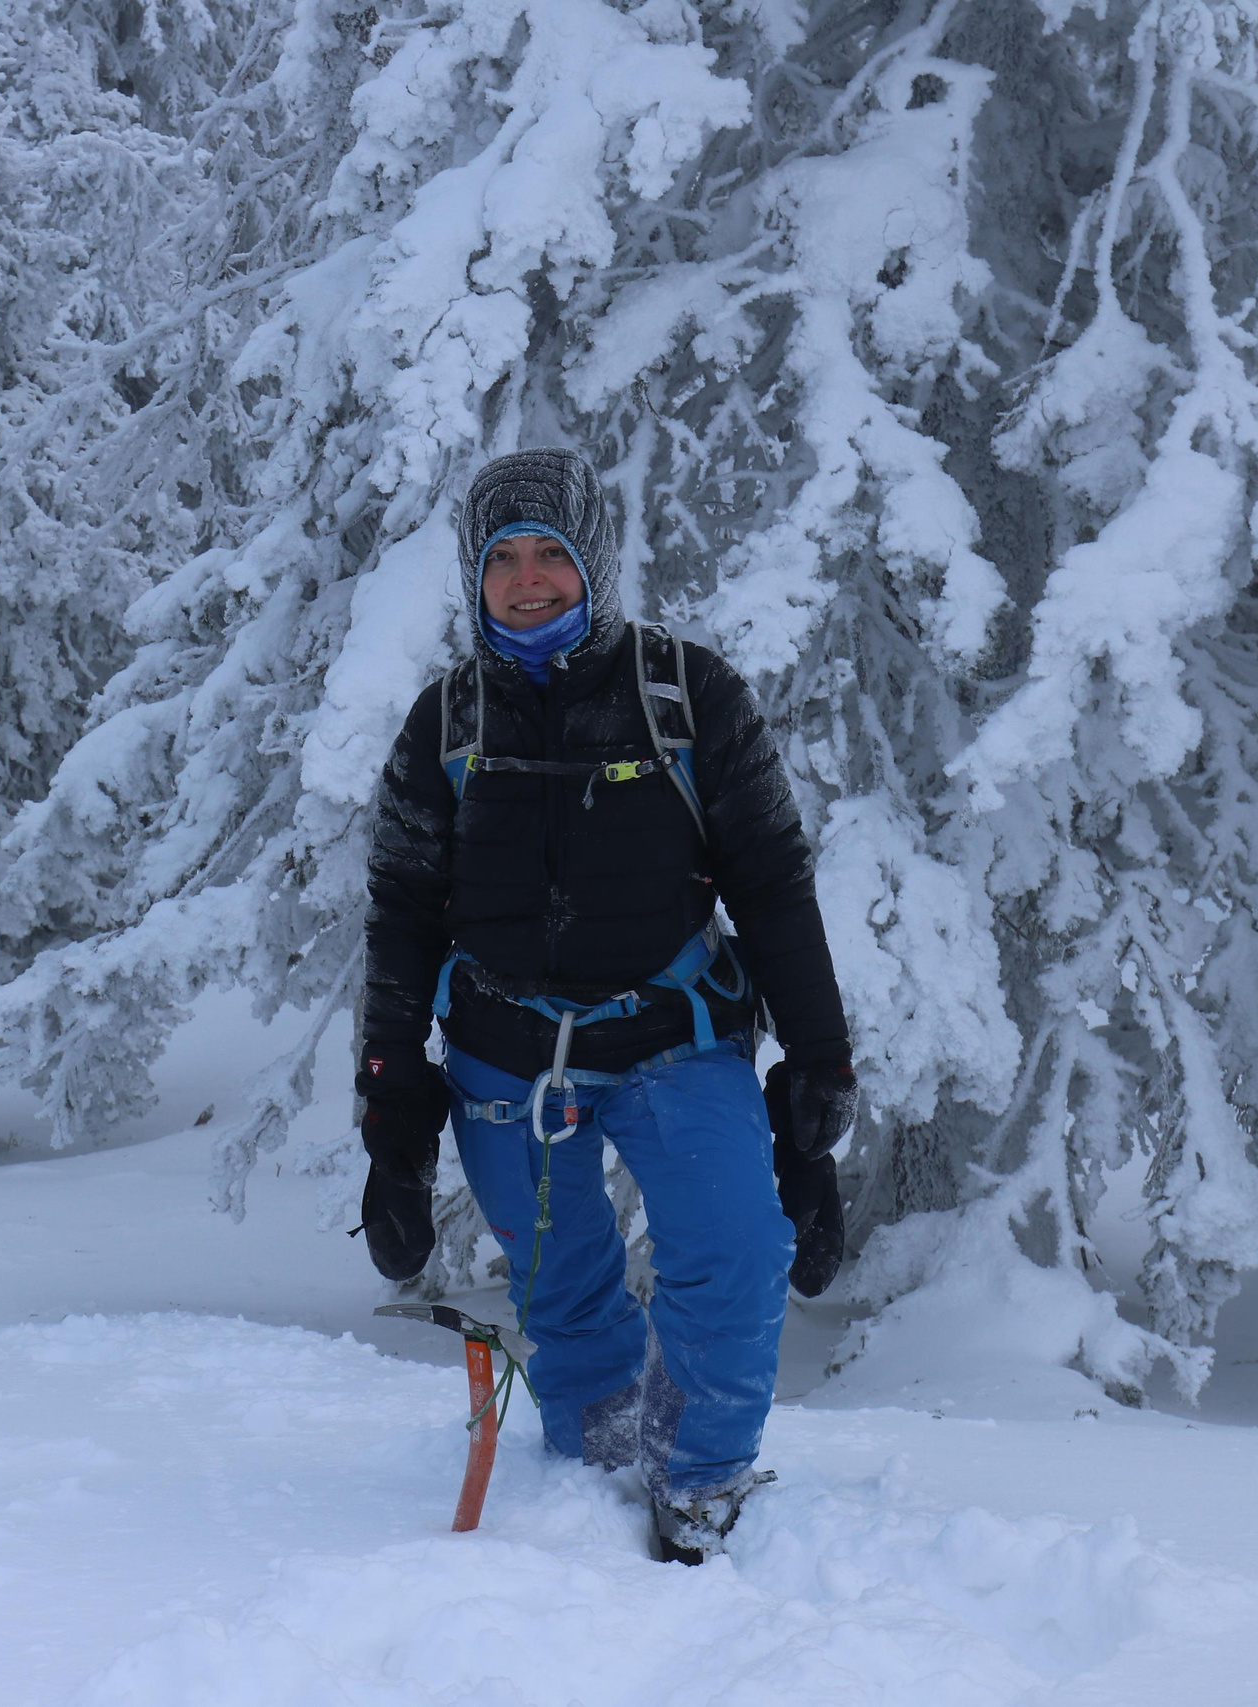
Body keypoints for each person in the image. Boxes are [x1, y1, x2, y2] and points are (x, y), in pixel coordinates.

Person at [356, 447, 857, 1564]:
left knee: (730, 1256)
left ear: (594, 563)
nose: (527, 581)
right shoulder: (443, 723)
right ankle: (603, 1464)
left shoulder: (688, 693)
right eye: (502, 559)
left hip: (670, 1040)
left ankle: (700, 1479)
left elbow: (771, 882)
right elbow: (399, 913)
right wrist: (390, 1106)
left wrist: (816, 1068)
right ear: (473, 575)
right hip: (501, 1056)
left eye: (551, 555)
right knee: (563, 1290)